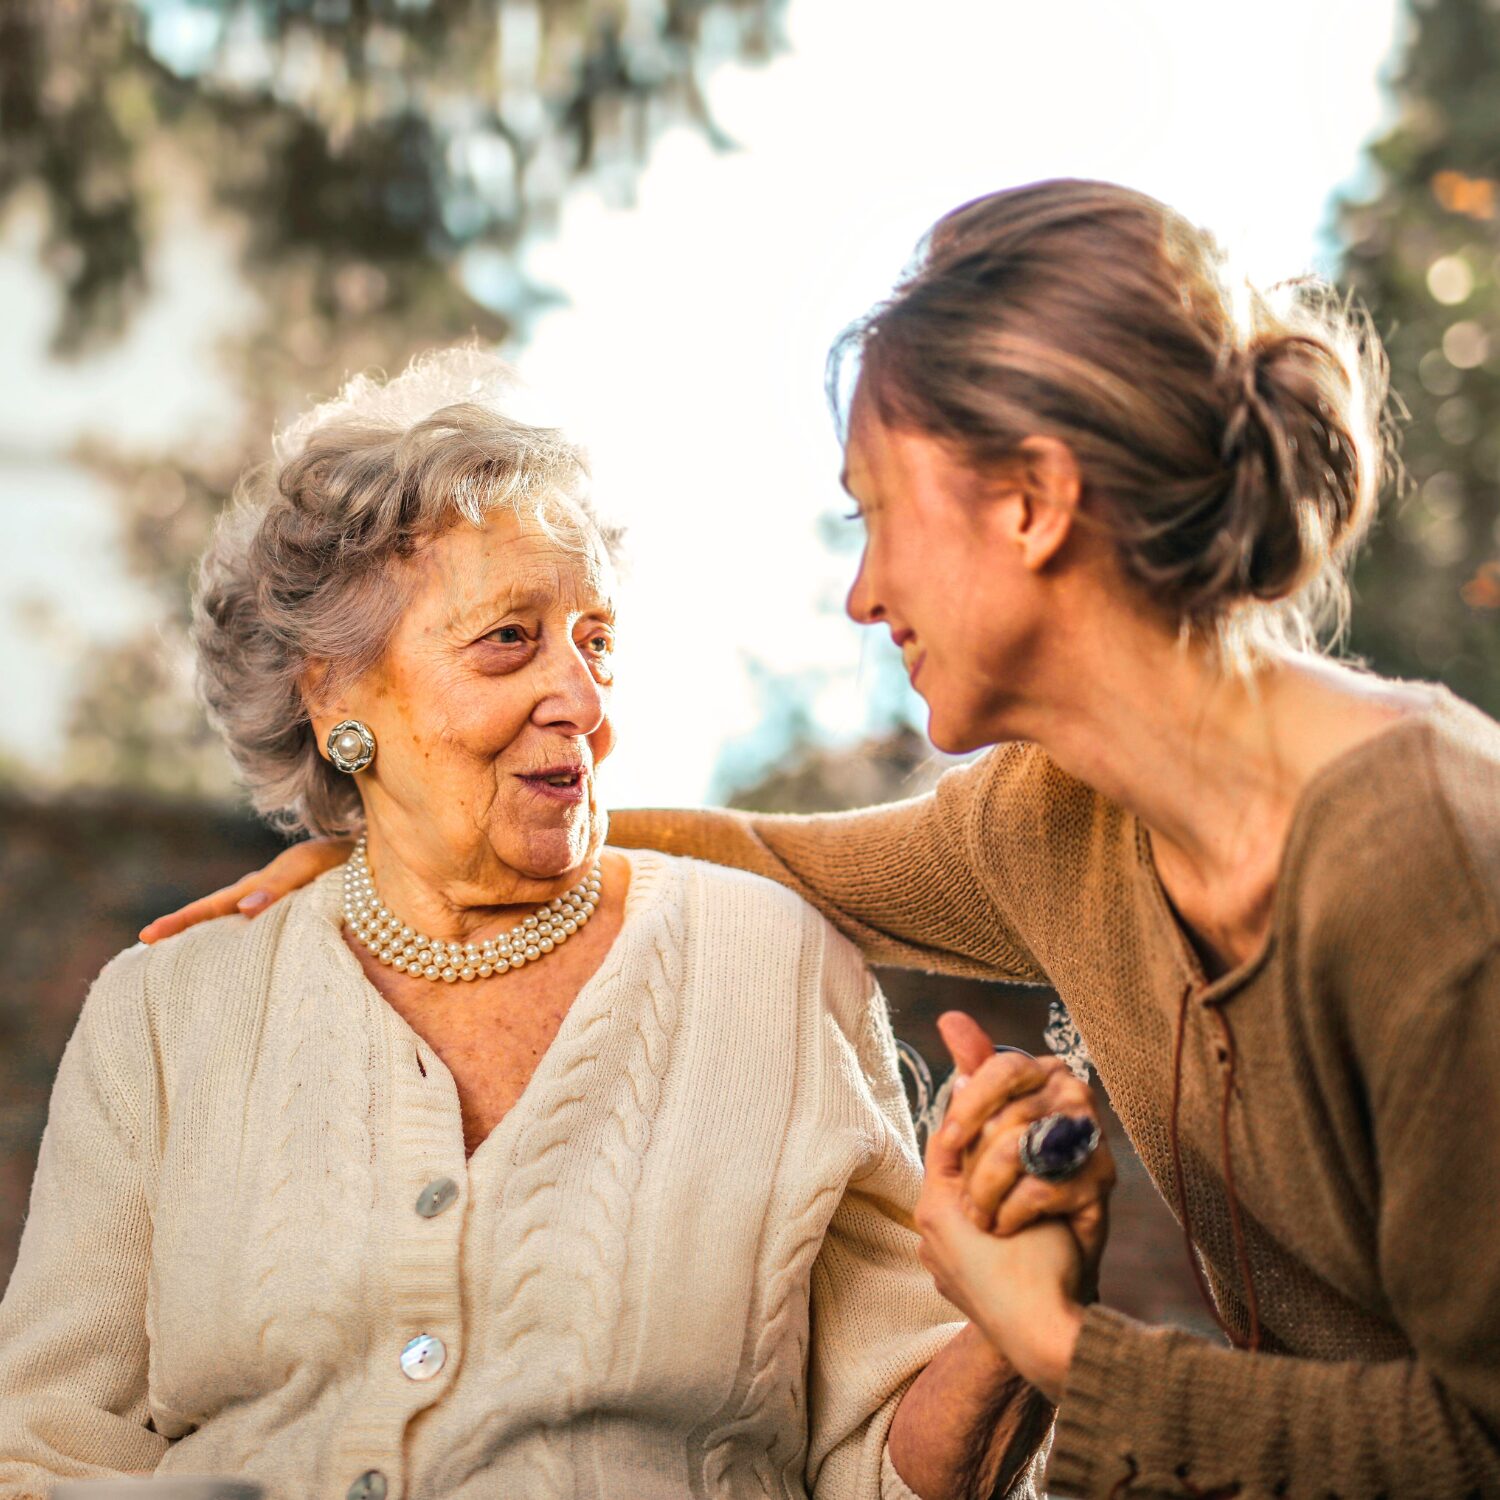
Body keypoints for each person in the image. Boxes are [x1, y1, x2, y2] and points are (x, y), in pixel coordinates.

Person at [160, 180, 1500, 1498]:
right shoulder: (1057, 825)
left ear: (1031, 502)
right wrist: (401, 843)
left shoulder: (1426, 866)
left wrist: (1054, 1343)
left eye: (876, 514)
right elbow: (769, 860)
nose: (863, 595)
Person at [0, 349, 1106, 1499]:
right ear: (334, 695)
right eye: (509, 640)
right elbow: (39, 1455)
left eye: (598, 642)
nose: (582, 701)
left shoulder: (771, 968)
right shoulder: (168, 1012)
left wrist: (1009, 1324)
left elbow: (887, 1473)